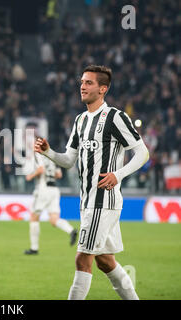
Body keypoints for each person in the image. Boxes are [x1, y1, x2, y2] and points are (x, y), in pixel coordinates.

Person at [35, 65, 149, 300]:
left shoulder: (115, 117)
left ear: (103, 89)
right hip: (87, 201)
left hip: (103, 201)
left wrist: (119, 174)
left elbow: (142, 153)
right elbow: (68, 160)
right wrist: (48, 152)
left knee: (82, 258)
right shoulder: (80, 120)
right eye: (82, 82)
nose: (82, 86)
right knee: (105, 262)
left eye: (89, 83)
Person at [24, 149, 77, 255]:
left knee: (34, 217)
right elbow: (59, 175)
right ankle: (71, 230)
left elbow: (41, 169)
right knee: (54, 219)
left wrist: (31, 176)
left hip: (43, 189)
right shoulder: (51, 157)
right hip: (54, 190)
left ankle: (34, 248)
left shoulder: (38, 155)